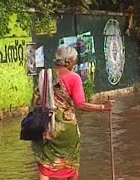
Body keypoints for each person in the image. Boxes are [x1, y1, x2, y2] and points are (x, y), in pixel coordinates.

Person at [31, 45, 115, 180]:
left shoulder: (46, 75)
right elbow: (80, 104)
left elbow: (36, 101)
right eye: (75, 60)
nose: (75, 62)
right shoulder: (73, 78)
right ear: (69, 61)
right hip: (65, 131)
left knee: (45, 167)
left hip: (44, 128)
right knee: (70, 167)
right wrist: (103, 107)